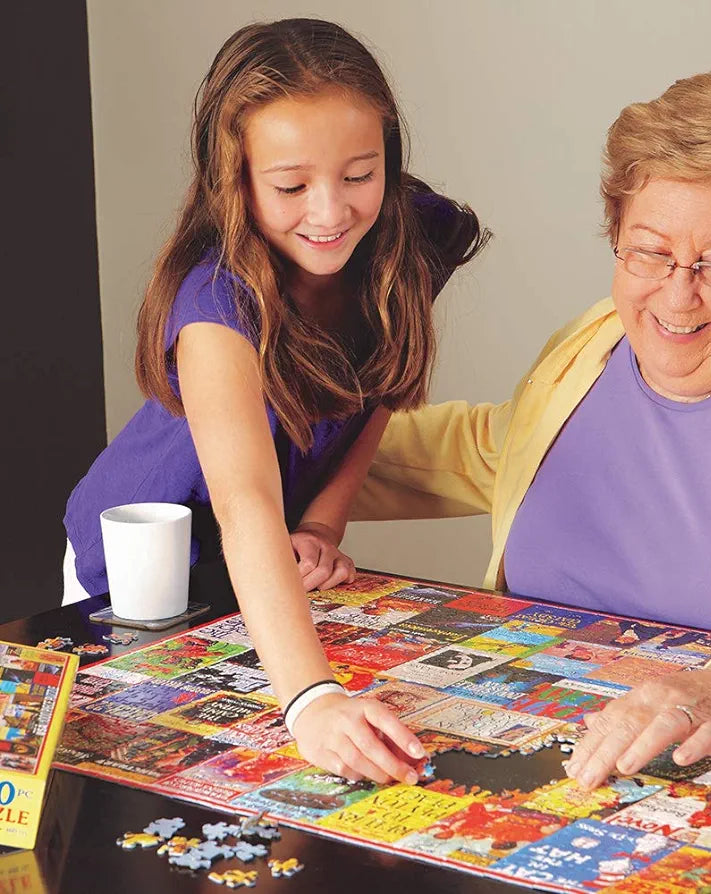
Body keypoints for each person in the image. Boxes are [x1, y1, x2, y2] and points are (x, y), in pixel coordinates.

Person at [353, 63, 711, 789]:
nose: (677, 293)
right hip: (515, 751)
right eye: (650, 250)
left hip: (702, 774)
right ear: (615, 232)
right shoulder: (594, 343)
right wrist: (278, 448)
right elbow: (486, 451)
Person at [63, 18, 487, 785]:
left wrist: (324, 518)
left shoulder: (408, 236)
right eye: (291, 186)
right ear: (237, 183)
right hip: (138, 560)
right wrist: (312, 698)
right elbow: (248, 504)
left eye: (359, 174)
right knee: (179, 779)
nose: (330, 212)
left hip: (260, 563)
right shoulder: (213, 303)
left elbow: (378, 391)